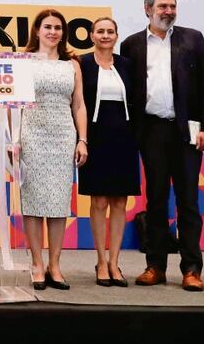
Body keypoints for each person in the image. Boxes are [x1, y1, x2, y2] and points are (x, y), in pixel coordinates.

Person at [120, 0, 204, 292]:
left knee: (188, 201)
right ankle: (155, 266)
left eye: (173, 6)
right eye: (163, 6)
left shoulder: (193, 38)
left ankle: (191, 269)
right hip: (151, 131)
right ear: (147, 9)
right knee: (157, 200)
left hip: (187, 131)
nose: (169, 11)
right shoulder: (132, 44)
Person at [19, 8, 86, 291]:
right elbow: (13, 104)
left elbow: (79, 104)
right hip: (31, 134)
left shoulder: (72, 64)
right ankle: (36, 264)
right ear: (36, 30)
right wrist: (14, 139)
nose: (52, 32)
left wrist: (83, 139)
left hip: (62, 136)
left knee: (59, 203)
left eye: (58, 27)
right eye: (47, 27)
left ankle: (55, 265)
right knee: (32, 203)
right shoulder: (24, 61)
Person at [77, 17, 137, 288]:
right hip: (95, 136)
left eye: (110, 31)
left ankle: (115, 262)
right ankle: (101, 261)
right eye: (100, 31)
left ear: (116, 35)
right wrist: (81, 139)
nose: (105, 35)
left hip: (124, 136)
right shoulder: (81, 63)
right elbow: (77, 103)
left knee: (120, 202)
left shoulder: (127, 65)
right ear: (91, 35)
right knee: (99, 200)